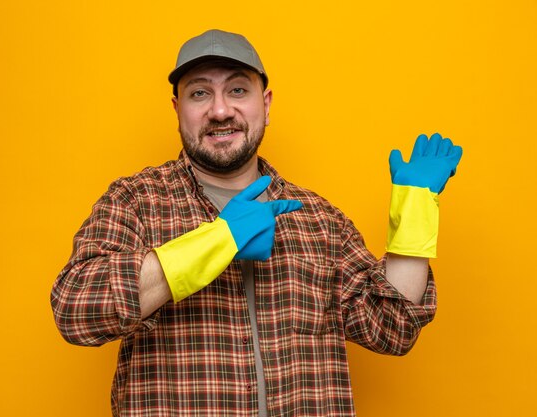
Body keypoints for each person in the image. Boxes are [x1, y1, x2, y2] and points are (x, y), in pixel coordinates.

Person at [51, 29, 463, 417]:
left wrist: (416, 212)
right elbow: (76, 308)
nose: (220, 110)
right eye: (199, 93)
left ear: (264, 103)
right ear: (178, 109)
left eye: (237, 90)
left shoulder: (319, 219)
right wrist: (218, 240)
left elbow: (391, 328)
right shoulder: (136, 200)